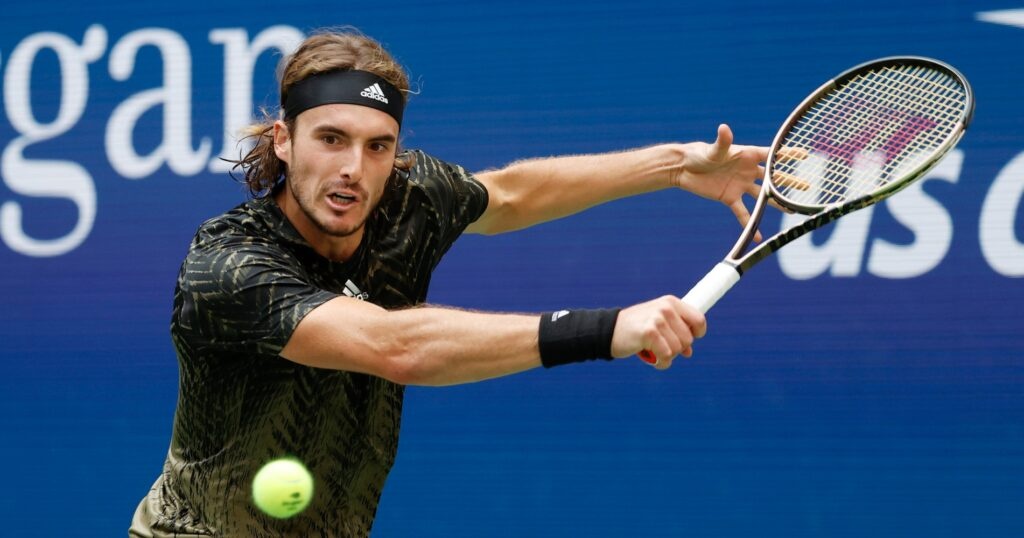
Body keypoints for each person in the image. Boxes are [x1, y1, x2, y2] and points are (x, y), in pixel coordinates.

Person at [129, 28, 773, 537]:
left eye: (378, 146)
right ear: (285, 140)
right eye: (331, 138)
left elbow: (511, 195)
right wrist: (606, 330)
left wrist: (675, 164)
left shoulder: (407, 200)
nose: (354, 168)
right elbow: (395, 347)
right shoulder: (228, 264)